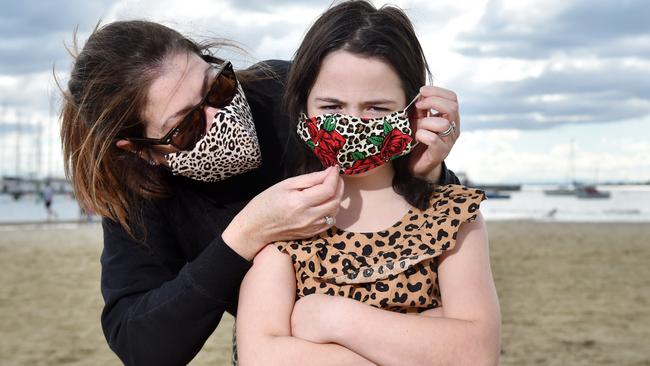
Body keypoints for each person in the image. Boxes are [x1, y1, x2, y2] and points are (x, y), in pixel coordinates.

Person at [59, 19, 462, 365]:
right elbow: (140, 343)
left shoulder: (289, 92)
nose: (221, 116)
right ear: (141, 151)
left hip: (405, 321)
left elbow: (436, 212)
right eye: (187, 125)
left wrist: (427, 171)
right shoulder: (138, 193)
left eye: (216, 87)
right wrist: (246, 234)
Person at [235, 1, 501, 365]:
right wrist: (420, 344)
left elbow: (476, 355)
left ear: (412, 110)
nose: (353, 122)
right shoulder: (285, 220)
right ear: (303, 108)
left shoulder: (452, 215)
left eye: (376, 108)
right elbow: (260, 357)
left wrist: (325, 318)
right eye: (331, 107)